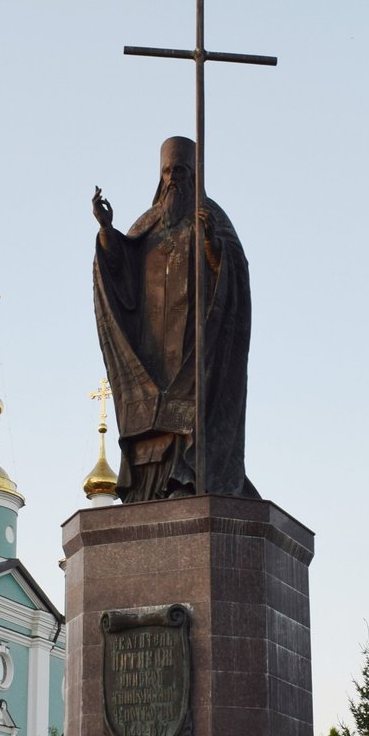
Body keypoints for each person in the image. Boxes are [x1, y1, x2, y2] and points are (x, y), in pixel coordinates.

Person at [92, 136, 257, 502]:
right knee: (153, 418)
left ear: (194, 174)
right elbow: (120, 269)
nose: (172, 179)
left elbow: (233, 276)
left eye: (180, 170)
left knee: (197, 406)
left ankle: (189, 478)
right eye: (167, 171)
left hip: (197, 344)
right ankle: (149, 487)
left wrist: (213, 244)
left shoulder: (210, 217)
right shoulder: (146, 222)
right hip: (152, 347)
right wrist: (106, 232)